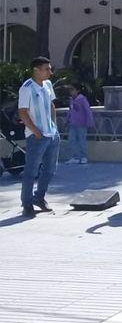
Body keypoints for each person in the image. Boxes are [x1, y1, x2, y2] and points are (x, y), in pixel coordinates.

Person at [18, 57, 60, 218]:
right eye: (46, 69)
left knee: (50, 169)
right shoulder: (27, 88)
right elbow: (22, 112)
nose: (50, 72)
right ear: (36, 69)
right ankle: (27, 203)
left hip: (51, 134)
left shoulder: (48, 85)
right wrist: (35, 131)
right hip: (36, 136)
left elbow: (51, 105)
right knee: (31, 171)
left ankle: (39, 197)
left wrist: (54, 127)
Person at [65, 83, 94, 164]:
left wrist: (89, 122)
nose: (71, 91)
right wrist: (67, 119)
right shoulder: (71, 100)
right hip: (73, 124)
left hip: (82, 124)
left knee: (82, 140)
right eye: (70, 90)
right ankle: (75, 157)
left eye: (72, 90)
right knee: (71, 140)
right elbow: (70, 110)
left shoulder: (82, 100)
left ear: (77, 91)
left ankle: (84, 156)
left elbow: (88, 111)